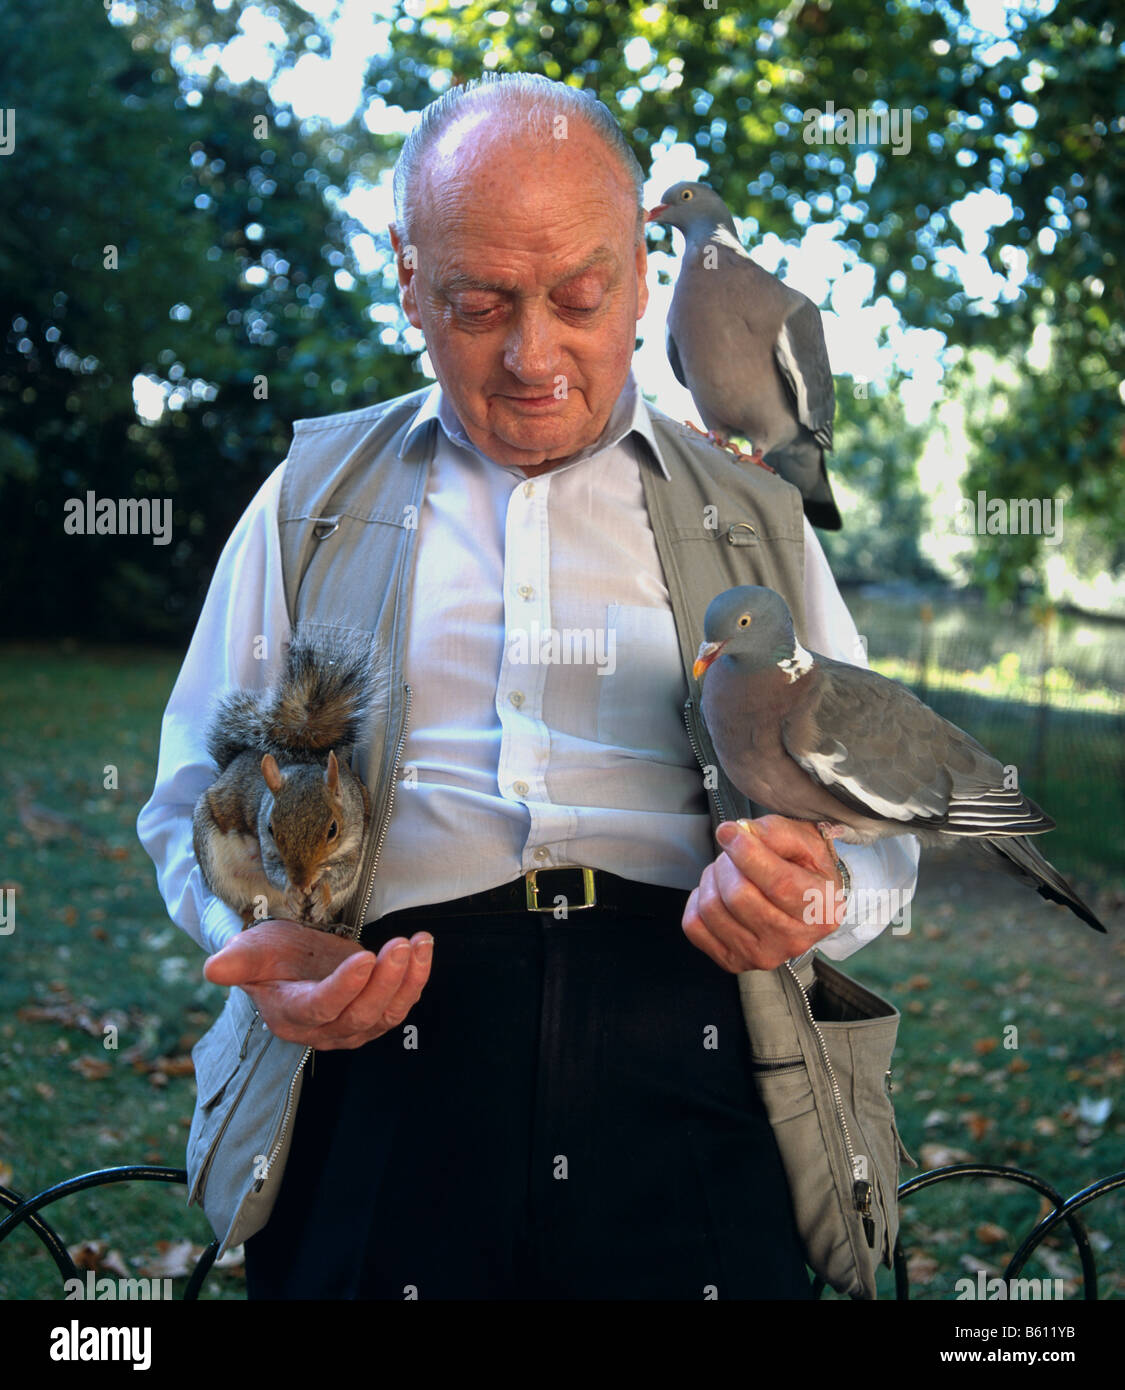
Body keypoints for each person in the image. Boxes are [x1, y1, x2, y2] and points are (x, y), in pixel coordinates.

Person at [137, 73, 918, 1300]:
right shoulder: (311, 499)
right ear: (408, 280)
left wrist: (820, 902)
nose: (532, 354)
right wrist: (260, 939)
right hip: (377, 1070)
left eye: (581, 298)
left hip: (703, 1072)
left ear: (644, 282)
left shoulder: (759, 520)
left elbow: (881, 826)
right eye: (478, 302)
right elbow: (191, 792)